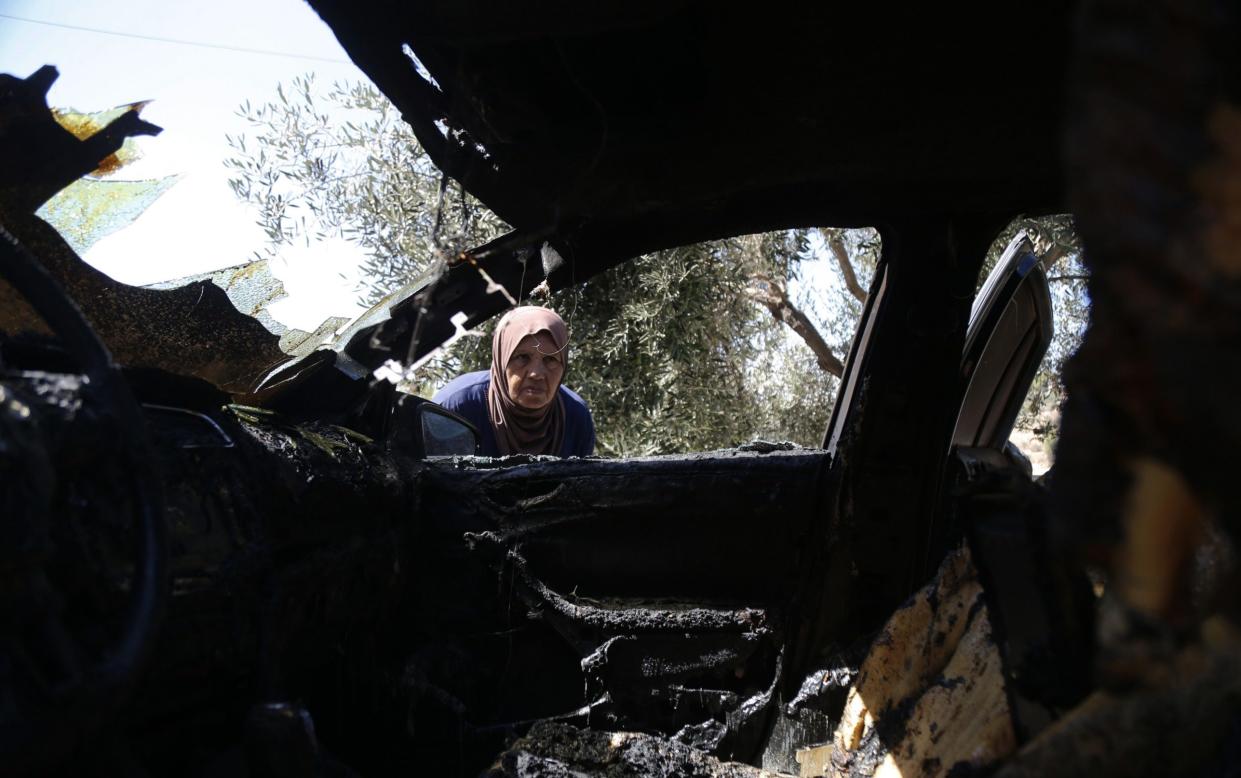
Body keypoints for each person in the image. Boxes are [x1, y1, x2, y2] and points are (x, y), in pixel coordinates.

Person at [433, 306, 595, 457]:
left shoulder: (575, 418)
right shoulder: (458, 408)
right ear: (501, 359)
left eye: (550, 359)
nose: (536, 374)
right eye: (523, 357)